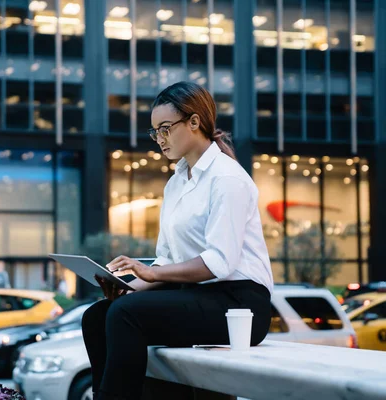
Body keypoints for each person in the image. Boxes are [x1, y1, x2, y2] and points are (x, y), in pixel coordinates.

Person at [82, 81, 274, 400]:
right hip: (198, 296)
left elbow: (220, 262)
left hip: (241, 305)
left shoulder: (227, 178)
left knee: (125, 314)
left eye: (166, 128)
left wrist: (151, 274)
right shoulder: (176, 184)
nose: (160, 138)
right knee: (98, 315)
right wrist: (129, 286)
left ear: (195, 122)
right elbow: (167, 261)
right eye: (155, 131)